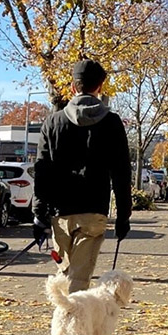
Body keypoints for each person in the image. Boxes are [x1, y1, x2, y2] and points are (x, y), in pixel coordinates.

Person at [33, 59, 132, 294]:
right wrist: (123, 215)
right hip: (94, 210)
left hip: (61, 213)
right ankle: (74, 326)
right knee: (78, 280)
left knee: (65, 274)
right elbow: (121, 172)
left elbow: (42, 169)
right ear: (100, 87)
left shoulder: (53, 122)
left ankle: (67, 324)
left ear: (72, 86)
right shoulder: (111, 123)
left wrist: (39, 213)